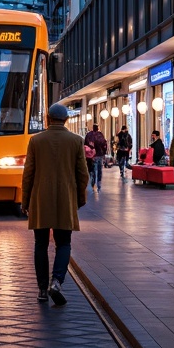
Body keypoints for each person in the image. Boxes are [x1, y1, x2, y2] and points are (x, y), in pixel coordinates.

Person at [21, 103, 89, 306]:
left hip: (40, 200)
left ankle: (42, 289)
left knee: (40, 244)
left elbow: (28, 174)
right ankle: (57, 282)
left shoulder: (36, 141)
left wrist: (25, 201)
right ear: (66, 120)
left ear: (48, 119)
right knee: (64, 243)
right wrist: (79, 198)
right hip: (65, 199)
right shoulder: (76, 141)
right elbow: (83, 174)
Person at [84, 123, 107, 193]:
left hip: (91, 155)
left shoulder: (89, 135)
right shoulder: (100, 135)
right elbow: (104, 145)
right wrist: (104, 153)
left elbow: (85, 144)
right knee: (99, 170)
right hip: (99, 155)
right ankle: (99, 184)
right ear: (98, 128)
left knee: (92, 170)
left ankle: (93, 183)